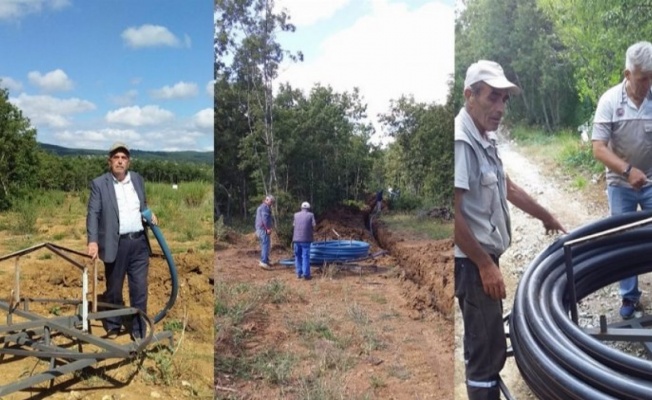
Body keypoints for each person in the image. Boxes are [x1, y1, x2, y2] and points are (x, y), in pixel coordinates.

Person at [454, 60, 566, 400]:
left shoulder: (483, 138)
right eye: (493, 98)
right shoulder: (461, 142)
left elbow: (509, 188)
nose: (500, 108)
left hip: (483, 259)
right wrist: (485, 265)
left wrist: (545, 215)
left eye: (505, 99)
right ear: (469, 95)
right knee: (485, 352)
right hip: (472, 264)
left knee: (488, 340)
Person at [592, 41, 652, 320]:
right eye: (643, 78)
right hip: (621, 185)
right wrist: (628, 171)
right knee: (625, 239)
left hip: (651, 182)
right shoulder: (610, 101)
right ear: (627, 75)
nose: (648, 83)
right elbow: (599, 148)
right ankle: (629, 297)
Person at [86, 142, 158, 341]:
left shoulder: (137, 179)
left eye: (124, 158)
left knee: (139, 288)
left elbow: (142, 205)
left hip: (139, 243)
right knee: (114, 288)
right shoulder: (100, 184)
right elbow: (93, 213)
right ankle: (114, 324)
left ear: (128, 162)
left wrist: (150, 215)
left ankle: (138, 329)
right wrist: (92, 241)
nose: (120, 161)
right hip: (114, 244)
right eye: (116, 157)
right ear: (110, 161)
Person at [293, 201, 316, 280]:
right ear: (308, 208)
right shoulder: (311, 215)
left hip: (296, 239)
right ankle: (306, 274)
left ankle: (299, 273)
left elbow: (294, 225)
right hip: (306, 239)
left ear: (301, 207)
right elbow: (314, 226)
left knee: (298, 256)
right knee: (305, 256)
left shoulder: (295, 215)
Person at [255, 195, 275, 270]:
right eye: (271, 202)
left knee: (265, 245)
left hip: (260, 229)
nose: (272, 203)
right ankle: (263, 262)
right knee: (265, 245)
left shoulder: (262, 206)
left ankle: (265, 260)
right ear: (268, 201)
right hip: (263, 229)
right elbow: (265, 219)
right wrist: (268, 228)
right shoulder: (265, 208)